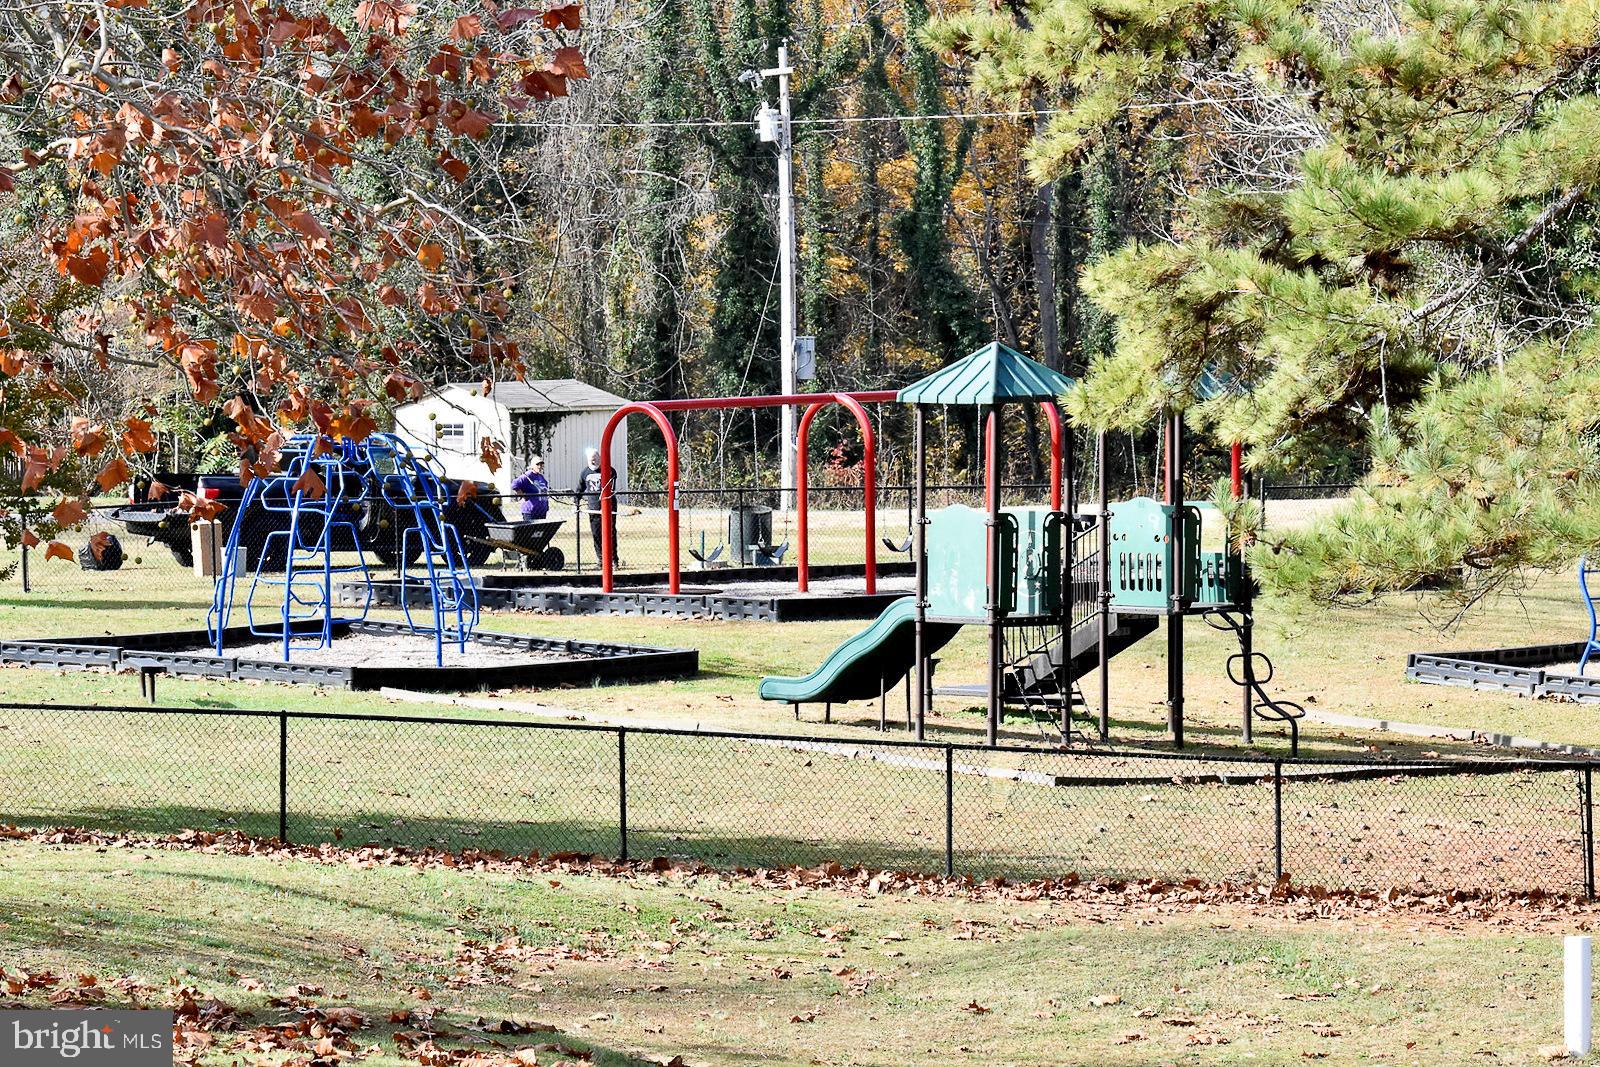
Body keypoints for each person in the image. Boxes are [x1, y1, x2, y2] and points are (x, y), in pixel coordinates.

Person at [575, 446, 619, 567]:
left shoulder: (609, 470)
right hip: (593, 509)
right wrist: (576, 502)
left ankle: (614, 559)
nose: (593, 461)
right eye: (590, 459)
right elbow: (579, 490)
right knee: (596, 534)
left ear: (600, 458)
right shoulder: (585, 473)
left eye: (595, 458)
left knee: (610, 534)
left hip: (608, 508)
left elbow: (612, 487)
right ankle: (601, 560)